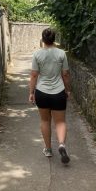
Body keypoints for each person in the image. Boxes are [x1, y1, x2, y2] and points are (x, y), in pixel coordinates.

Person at [29, 28, 71, 163]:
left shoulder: (37, 54)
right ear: (54, 39)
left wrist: (31, 92)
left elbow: (34, 75)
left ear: (43, 39)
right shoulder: (61, 54)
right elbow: (65, 74)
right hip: (58, 92)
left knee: (45, 120)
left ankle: (48, 149)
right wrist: (67, 90)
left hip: (42, 92)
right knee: (60, 121)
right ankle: (61, 144)